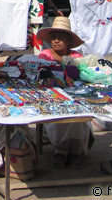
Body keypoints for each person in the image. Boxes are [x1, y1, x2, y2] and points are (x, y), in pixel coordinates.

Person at [36, 16, 91, 169]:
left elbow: (82, 75)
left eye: (60, 38)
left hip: (74, 94)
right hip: (52, 95)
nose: (56, 41)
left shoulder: (76, 57)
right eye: (54, 38)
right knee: (59, 115)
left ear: (68, 41)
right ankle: (60, 151)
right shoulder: (45, 55)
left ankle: (74, 152)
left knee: (79, 116)